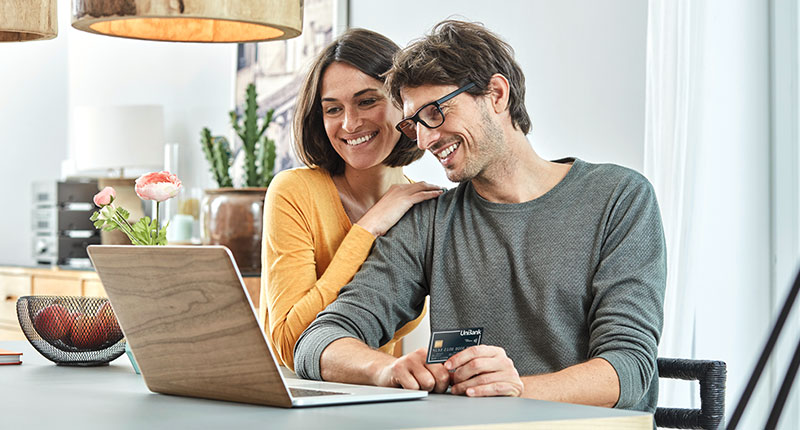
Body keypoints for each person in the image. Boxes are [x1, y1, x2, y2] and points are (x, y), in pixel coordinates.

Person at [293, 20, 667, 413]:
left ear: (497, 94)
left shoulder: (618, 198)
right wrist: (386, 370)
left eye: (435, 112)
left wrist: (516, 389)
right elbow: (318, 341)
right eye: (414, 123)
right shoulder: (428, 223)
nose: (424, 140)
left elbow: (630, 368)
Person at [258, 29, 444, 371]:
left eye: (367, 101)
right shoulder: (294, 192)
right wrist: (368, 227)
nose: (349, 123)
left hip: (376, 395)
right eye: (332, 109)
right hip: (295, 401)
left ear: (403, 104)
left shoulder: (423, 206)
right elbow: (289, 342)